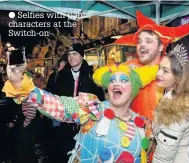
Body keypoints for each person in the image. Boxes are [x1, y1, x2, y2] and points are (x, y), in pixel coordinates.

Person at [3, 54, 159, 162]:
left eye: (123, 80)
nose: (116, 83)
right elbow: (57, 105)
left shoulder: (143, 126)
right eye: (112, 80)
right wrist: (20, 83)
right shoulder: (92, 108)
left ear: (134, 89)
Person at [115, 10, 189, 121]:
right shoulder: (128, 68)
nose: (141, 45)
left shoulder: (172, 73)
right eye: (139, 41)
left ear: (161, 47)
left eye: (148, 41)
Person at [52, 43, 105, 162]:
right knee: (66, 153)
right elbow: (56, 96)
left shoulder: (91, 74)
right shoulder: (62, 75)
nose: (71, 57)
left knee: (85, 153)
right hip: (66, 122)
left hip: (86, 123)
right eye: (69, 55)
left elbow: (100, 99)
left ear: (82, 56)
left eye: (75, 54)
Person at [152, 44, 189, 163]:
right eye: (159, 68)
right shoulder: (181, 96)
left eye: (165, 71)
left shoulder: (175, 111)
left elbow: (163, 158)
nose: (158, 74)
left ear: (178, 77)